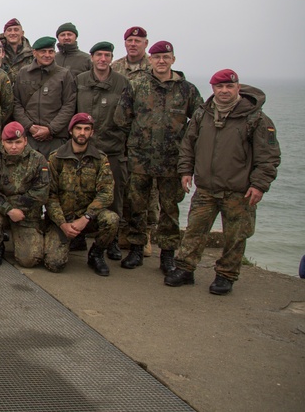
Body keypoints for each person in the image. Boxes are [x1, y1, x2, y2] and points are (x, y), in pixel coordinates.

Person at [166, 69, 281, 295]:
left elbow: (269, 156)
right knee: (194, 231)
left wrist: (259, 185)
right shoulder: (203, 114)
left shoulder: (256, 118)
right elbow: (189, 144)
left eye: (229, 86)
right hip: (206, 187)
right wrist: (186, 171)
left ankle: (226, 275)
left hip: (239, 191)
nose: (225, 91)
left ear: (238, 87)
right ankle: (185, 269)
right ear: (213, 89)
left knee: (235, 236)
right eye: (220, 87)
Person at [118, 40, 203, 273]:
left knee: (169, 209)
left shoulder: (187, 90)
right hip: (140, 158)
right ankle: (136, 249)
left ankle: (167, 254)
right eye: (157, 57)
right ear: (151, 59)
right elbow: (122, 118)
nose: (161, 61)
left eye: (166, 57)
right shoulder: (136, 85)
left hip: (171, 160)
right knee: (137, 205)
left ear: (173, 59)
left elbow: (199, 123)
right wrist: (135, 143)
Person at [75, 40, 132, 259]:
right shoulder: (80, 81)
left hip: (112, 148)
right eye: (99, 55)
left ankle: (111, 241)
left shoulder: (122, 83)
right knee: (79, 192)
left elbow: (129, 116)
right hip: (83, 147)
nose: (103, 59)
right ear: (92, 58)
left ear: (111, 58)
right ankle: (79, 236)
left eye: (107, 55)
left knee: (114, 196)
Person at [43, 113, 118, 276]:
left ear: (92, 132)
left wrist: (86, 217)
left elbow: (106, 193)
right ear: (71, 131)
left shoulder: (100, 159)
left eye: (86, 129)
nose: (82, 133)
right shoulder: (56, 158)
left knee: (111, 220)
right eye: (78, 128)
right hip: (62, 218)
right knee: (54, 264)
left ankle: (96, 254)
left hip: (88, 217)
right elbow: (50, 196)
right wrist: (62, 223)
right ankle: (69, 240)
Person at [0, 122, 49, 268]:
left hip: (26, 213)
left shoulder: (38, 160)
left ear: (25, 141)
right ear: (2, 142)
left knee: (29, 260)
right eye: (9, 142)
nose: (14, 147)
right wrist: (8, 209)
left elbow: (41, 193)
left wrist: (16, 209)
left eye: (18, 142)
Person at [13, 36, 77, 156]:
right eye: (43, 51)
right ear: (34, 53)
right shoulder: (23, 73)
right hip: (29, 137)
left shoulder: (64, 75)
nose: (47, 55)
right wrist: (29, 126)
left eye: (51, 52)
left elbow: (69, 105)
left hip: (55, 139)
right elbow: (16, 103)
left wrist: (50, 129)